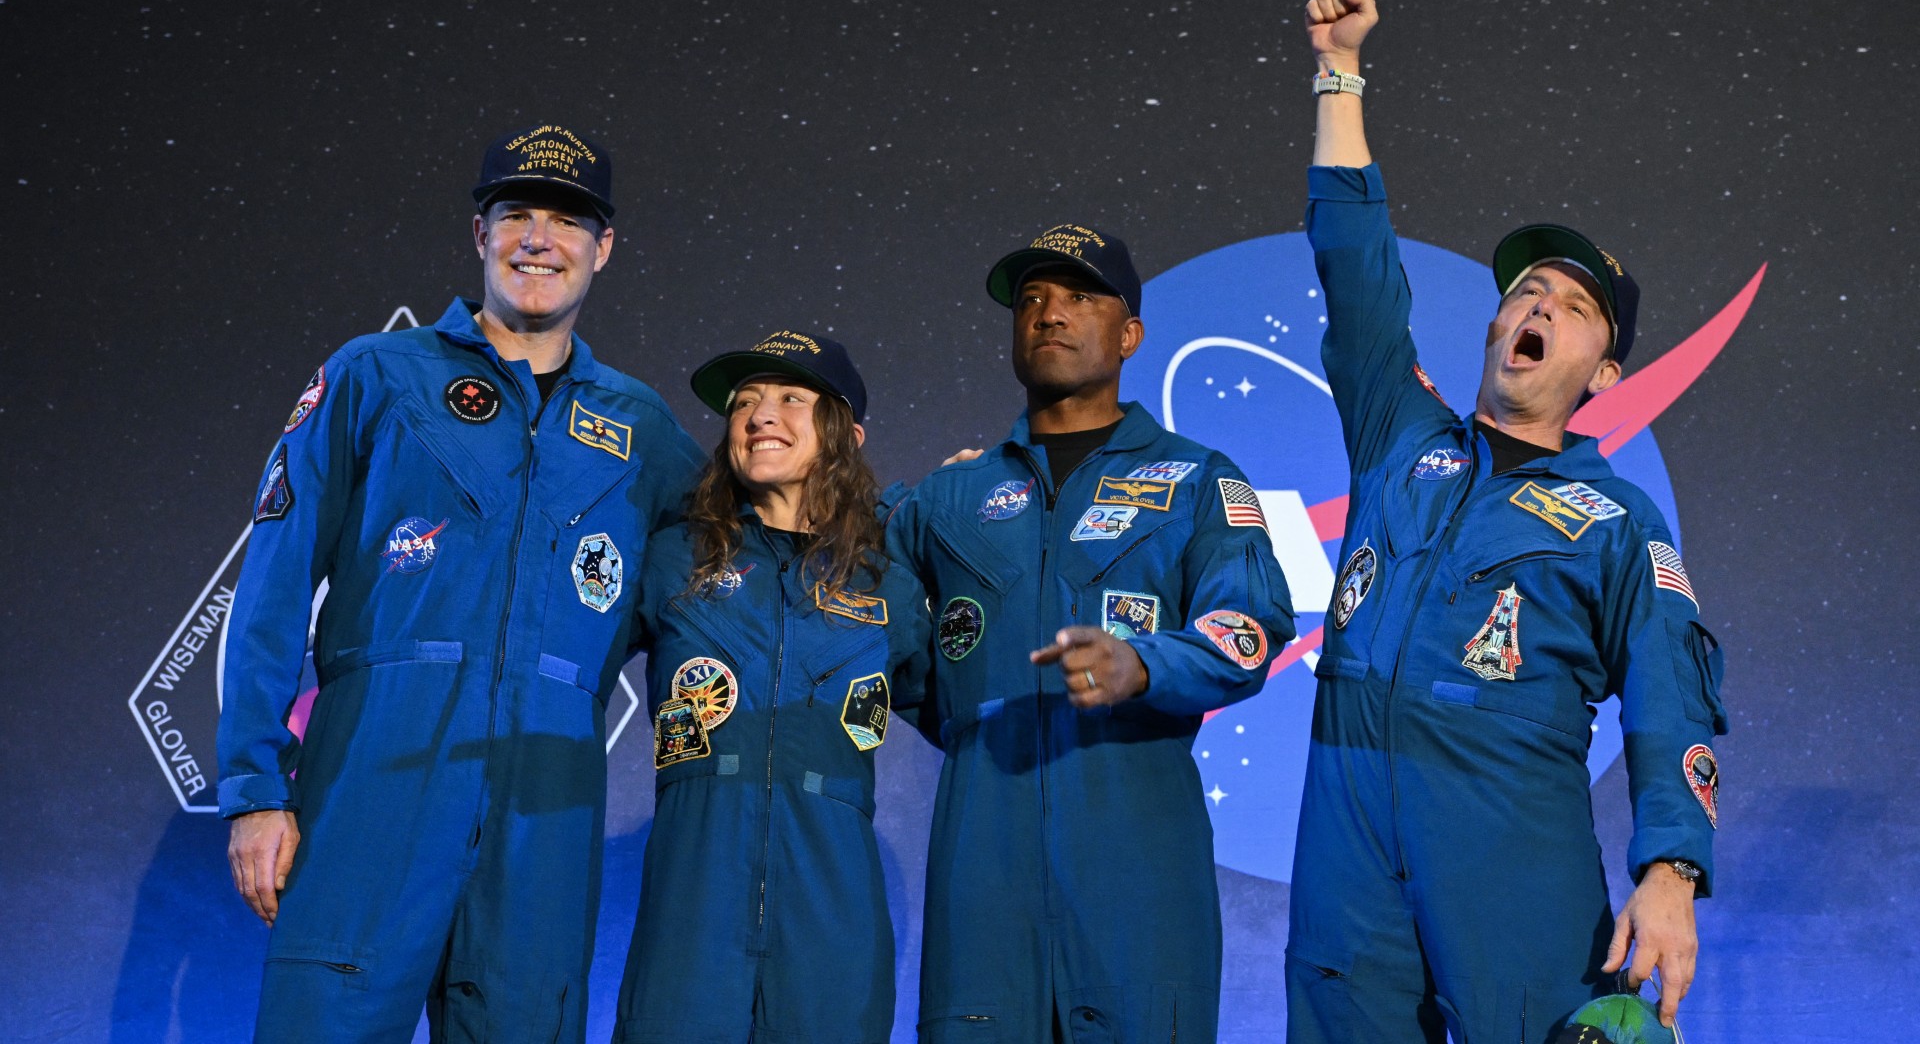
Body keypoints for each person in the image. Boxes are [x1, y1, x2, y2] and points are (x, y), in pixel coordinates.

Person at [1284, 0, 1728, 1043]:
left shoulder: (1616, 522)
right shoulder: (1401, 431)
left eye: (1573, 307)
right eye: (1529, 288)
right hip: (1347, 843)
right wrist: (1338, 71)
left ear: (1603, 367)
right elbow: (1356, 268)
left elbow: (1674, 702)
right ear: (1495, 320)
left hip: (1510, 846)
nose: (1540, 305)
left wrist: (1671, 873)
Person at [217, 123, 704, 1042]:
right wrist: (255, 790)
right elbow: (273, 589)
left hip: (545, 808)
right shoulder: (376, 375)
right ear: (478, 235)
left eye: (567, 222)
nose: (537, 240)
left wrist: (909, 516)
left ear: (603, 249)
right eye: (514, 214)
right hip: (375, 778)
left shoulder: (640, 429)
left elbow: (748, 553)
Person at [887, 225, 1297, 1041]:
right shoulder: (948, 498)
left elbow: (1250, 626)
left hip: (1135, 857)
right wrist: (979, 723)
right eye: (1033, 299)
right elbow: (894, 652)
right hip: (983, 864)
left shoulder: (1196, 478)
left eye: (1079, 296)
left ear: (1130, 334)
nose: (1049, 313)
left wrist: (1141, 665)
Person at [613, 330, 931, 1043]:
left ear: (845, 433)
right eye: (745, 402)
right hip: (692, 902)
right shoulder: (671, 558)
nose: (760, 415)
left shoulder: (890, 586)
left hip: (833, 907)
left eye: (791, 397)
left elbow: (965, 718)